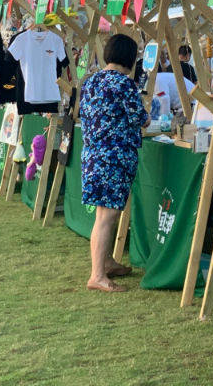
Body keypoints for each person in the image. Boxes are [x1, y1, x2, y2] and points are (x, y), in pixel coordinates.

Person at [80, 34, 150, 293]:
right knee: (107, 216)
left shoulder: (91, 81)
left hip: (93, 155)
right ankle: (97, 275)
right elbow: (141, 119)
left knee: (105, 213)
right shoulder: (124, 84)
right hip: (114, 157)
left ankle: (106, 262)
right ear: (130, 58)